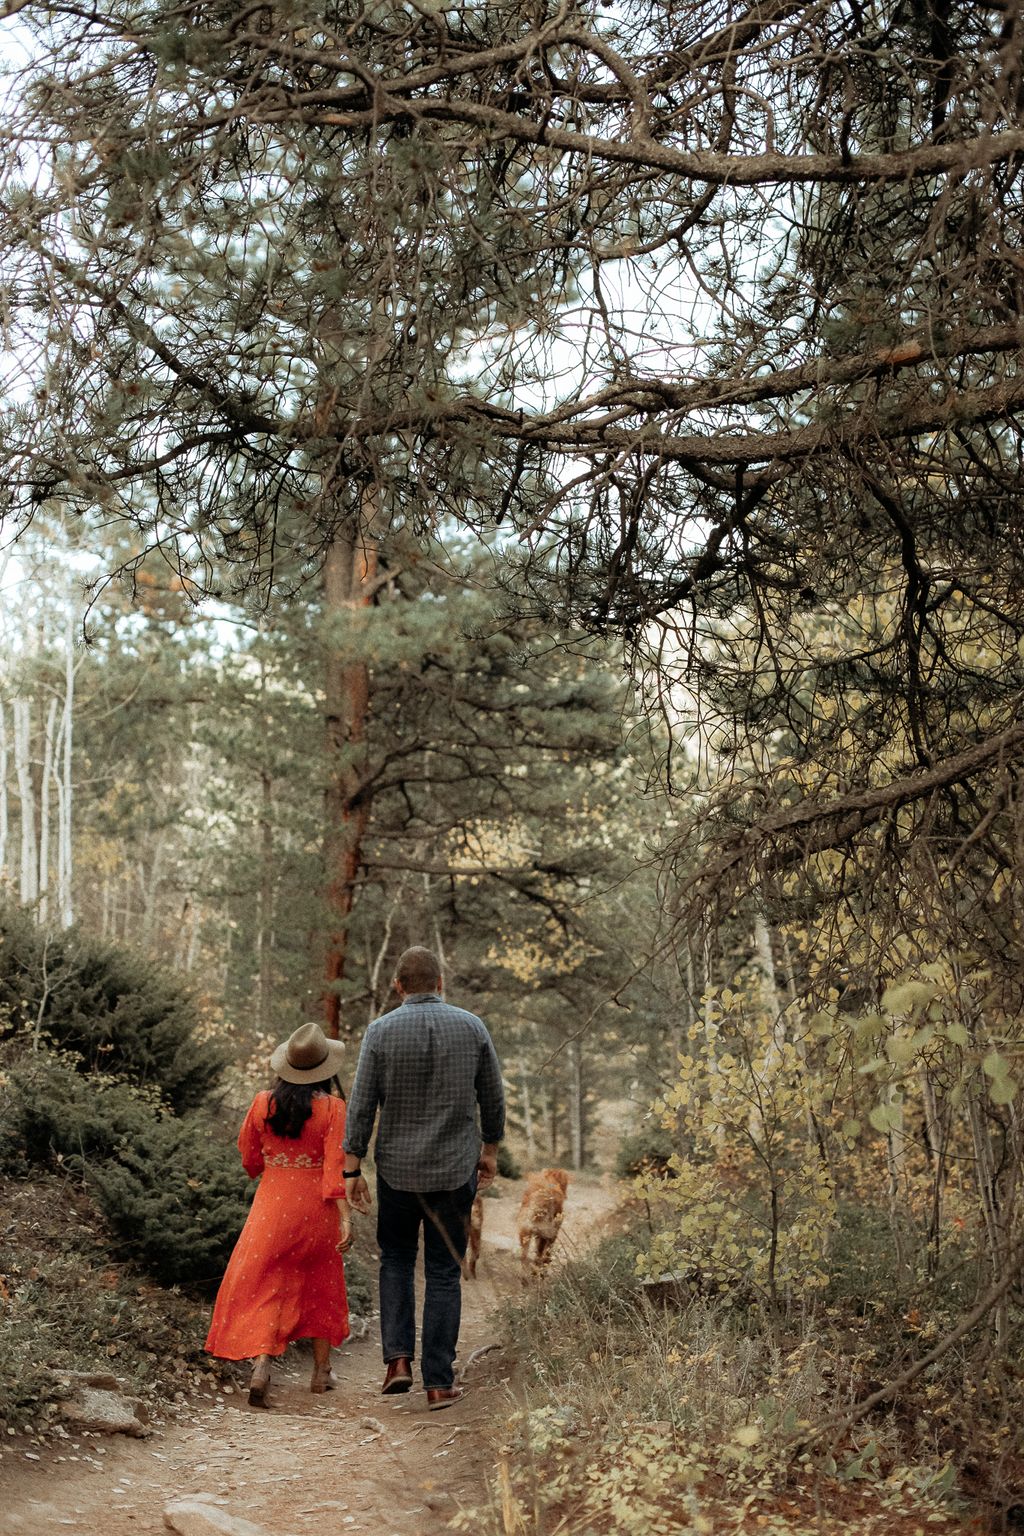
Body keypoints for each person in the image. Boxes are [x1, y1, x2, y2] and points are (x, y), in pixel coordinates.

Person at [343, 946, 505, 1410]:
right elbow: (492, 1096)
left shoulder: (379, 1031)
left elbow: (362, 1104)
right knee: (443, 1273)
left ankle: (397, 1361)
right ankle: (438, 1382)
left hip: (397, 1170)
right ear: (439, 983)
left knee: (395, 1260)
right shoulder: (472, 1027)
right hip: (454, 1171)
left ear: (398, 985)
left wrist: (352, 1167)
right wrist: (489, 1151)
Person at [205, 1022, 353, 1406]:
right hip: (317, 1209)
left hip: (272, 1204)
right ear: (324, 1068)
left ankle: (261, 1365)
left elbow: (249, 1157)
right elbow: (335, 1168)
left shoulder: (261, 1103)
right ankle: (321, 1374)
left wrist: (270, 1169)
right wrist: (347, 1217)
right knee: (322, 1284)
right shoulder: (334, 1108)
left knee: (267, 1282)